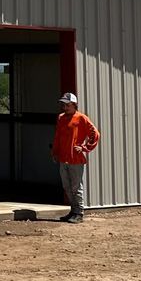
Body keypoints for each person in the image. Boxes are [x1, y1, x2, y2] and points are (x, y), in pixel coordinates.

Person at [53, 92, 100, 223]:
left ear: (74, 105)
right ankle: (73, 211)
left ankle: (79, 212)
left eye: (67, 105)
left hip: (76, 159)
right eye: (63, 105)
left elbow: (95, 134)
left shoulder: (81, 118)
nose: (65, 107)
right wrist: (55, 152)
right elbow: (58, 136)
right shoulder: (61, 118)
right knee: (67, 186)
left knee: (76, 187)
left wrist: (84, 148)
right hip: (63, 158)